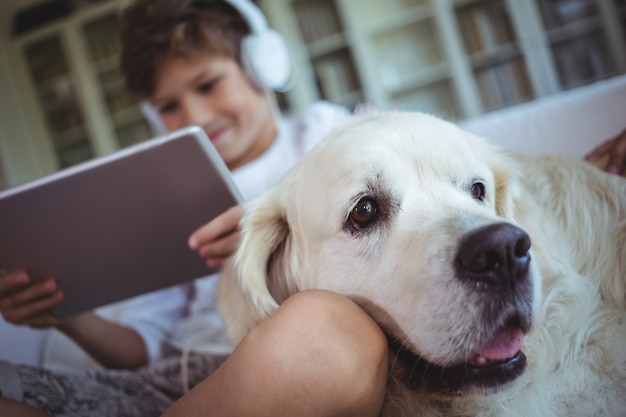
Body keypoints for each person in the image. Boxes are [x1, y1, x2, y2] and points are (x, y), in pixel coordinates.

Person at [0, 1, 389, 416]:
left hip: (281, 360)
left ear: (261, 63)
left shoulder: (326, 136)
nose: (195, 116)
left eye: (208, 85)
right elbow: (142, 351)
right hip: (172, 380)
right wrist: (66, 316)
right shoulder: (165, 198)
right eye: (169, 106)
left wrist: (269, 237)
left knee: (319, 342)